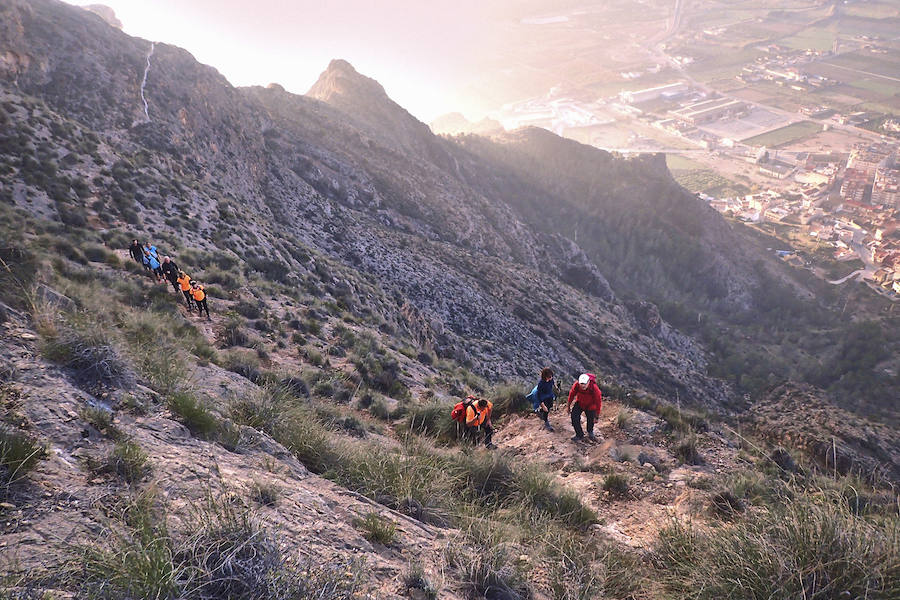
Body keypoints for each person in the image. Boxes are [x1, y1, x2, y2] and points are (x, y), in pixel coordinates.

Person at [567, 373, 602, 442]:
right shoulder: (576, 385)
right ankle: (579, 434)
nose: (583, 386)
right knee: (574, 417)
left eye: (585, 384)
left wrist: (597, 416)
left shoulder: (594, 389)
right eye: (581, 384)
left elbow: (598, 403)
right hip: (580, 403)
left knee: (590, 419)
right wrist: (568, 406)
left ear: (588, 382)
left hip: (591, 405)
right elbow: (571, 395)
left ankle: (590, 432)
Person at [534, 367, 557, 432]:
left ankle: (539, 411)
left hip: (549, 395)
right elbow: (538, 395)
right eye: (549, 377)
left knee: (550, 406)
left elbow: (553, 383)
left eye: (551, 376)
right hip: (543, 397)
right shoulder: (541, 384)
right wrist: (542, 405)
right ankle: (546, 423)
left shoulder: (551, 380)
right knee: (546, 409)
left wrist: (556, 387)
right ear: (545, 376)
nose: (551, 378)